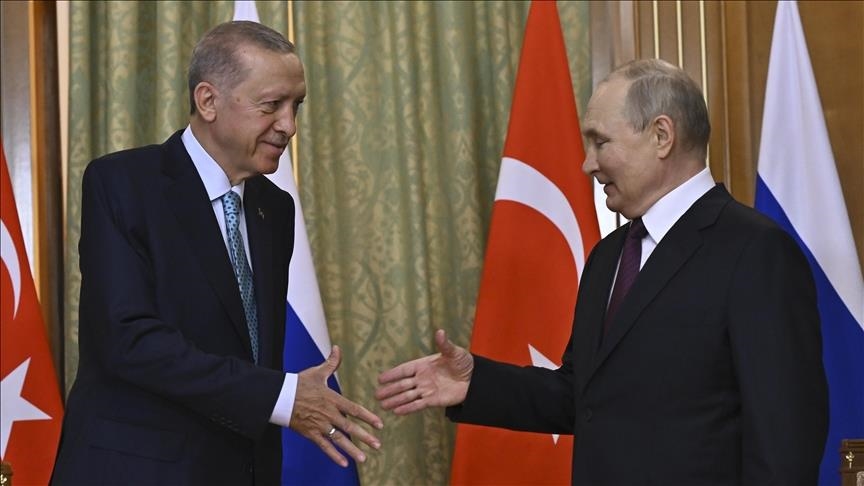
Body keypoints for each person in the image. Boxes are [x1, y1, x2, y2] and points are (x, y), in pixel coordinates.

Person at [376, 59, 829, 485]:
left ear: (662, 136)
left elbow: (785, 440)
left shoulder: (755, 251)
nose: (587, 163)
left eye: (600, 142)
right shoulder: (610, 255)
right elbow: (585, 395)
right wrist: (476, 382)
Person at [52, 21, 382, 485]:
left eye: (296, 106)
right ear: (207, 100)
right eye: (272, 105)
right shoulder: (123, 183)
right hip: (137, 470)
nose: (289, 125)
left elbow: (253, 353)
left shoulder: (275, 208)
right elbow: (128, 340)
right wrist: (283, 397)